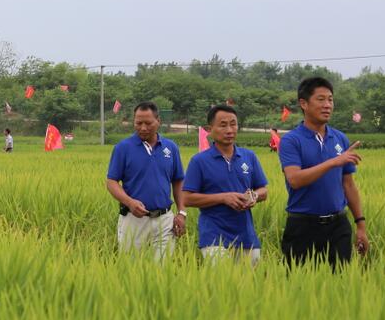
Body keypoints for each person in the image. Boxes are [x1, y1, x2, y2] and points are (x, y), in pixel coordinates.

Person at [278, 77, 368, 267]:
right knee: (298, 287)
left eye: (330, 99)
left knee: (339, 288)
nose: (327, 105)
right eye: (321, 99)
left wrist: (360, 225)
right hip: (303, 226)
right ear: (304, 103)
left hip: (338, 225)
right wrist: (333, 161)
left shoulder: (340, 138)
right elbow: (295, 179)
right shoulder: (291, 141)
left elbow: (348, 185)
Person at [182, 105, 269, 266]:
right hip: (214, 236)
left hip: (247, 236)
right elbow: (187, 198)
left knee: (250, 286)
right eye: (223, 125)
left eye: (233, 124)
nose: (229, 130)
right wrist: (223, 198)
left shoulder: (249, 157)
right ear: (210, 129)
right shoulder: (199, 161)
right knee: (222, 283)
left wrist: (254, 196)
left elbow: (263, 190)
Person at [105, 102, 187, 260]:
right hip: (133, 219)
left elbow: (178, 181)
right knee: (131, 271)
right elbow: (111, 182)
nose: (143, 128)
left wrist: (182, 212)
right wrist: (129, 202)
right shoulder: (123, 148)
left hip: (164, 220)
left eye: (148, 123)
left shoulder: (170, 148)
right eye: (138, 123)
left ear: (158, 121)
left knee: (163, 271)